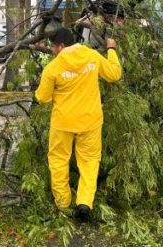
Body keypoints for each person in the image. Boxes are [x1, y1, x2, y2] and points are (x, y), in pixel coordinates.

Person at [34, 27, 122, 220]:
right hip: (90, 120)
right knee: (90, 162)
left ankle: (63, 204)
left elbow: (42, 97)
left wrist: (58, 90)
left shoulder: (54, 68)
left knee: (58, 161)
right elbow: (114, 74)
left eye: (53, 47)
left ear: (62, 46)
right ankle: (84, 203)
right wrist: (111, 49)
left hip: (63, 122)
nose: (52, 51)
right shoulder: (91, 56)